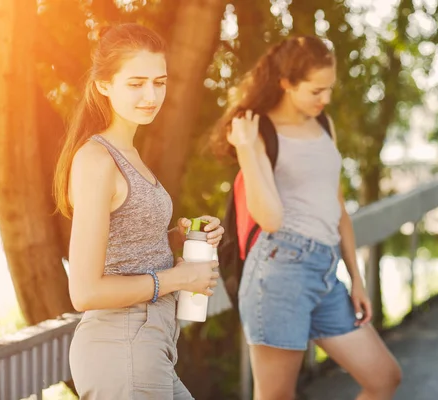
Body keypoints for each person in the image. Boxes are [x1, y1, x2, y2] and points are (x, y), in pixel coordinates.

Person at [213, 36, 402, 400]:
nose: (325, 99)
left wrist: (357, 280)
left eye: (329, 89)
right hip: (278, 272)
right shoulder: (261, 132)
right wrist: (248, 151)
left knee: (384, 378)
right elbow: (269, 219)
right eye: (317, 90)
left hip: (324, 270)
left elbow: (338, 209)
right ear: (286, 82)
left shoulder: (324, 124)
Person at [53, 23, 224, 400]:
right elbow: (84, 291)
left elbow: (124, 249)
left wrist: (184, 236)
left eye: (159, 82)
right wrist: (180, 279)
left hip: (148, 342)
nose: (151, 95)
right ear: (103, 85)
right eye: (136, 83)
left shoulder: (128, 153)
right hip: (121, 345)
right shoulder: (97, 160)